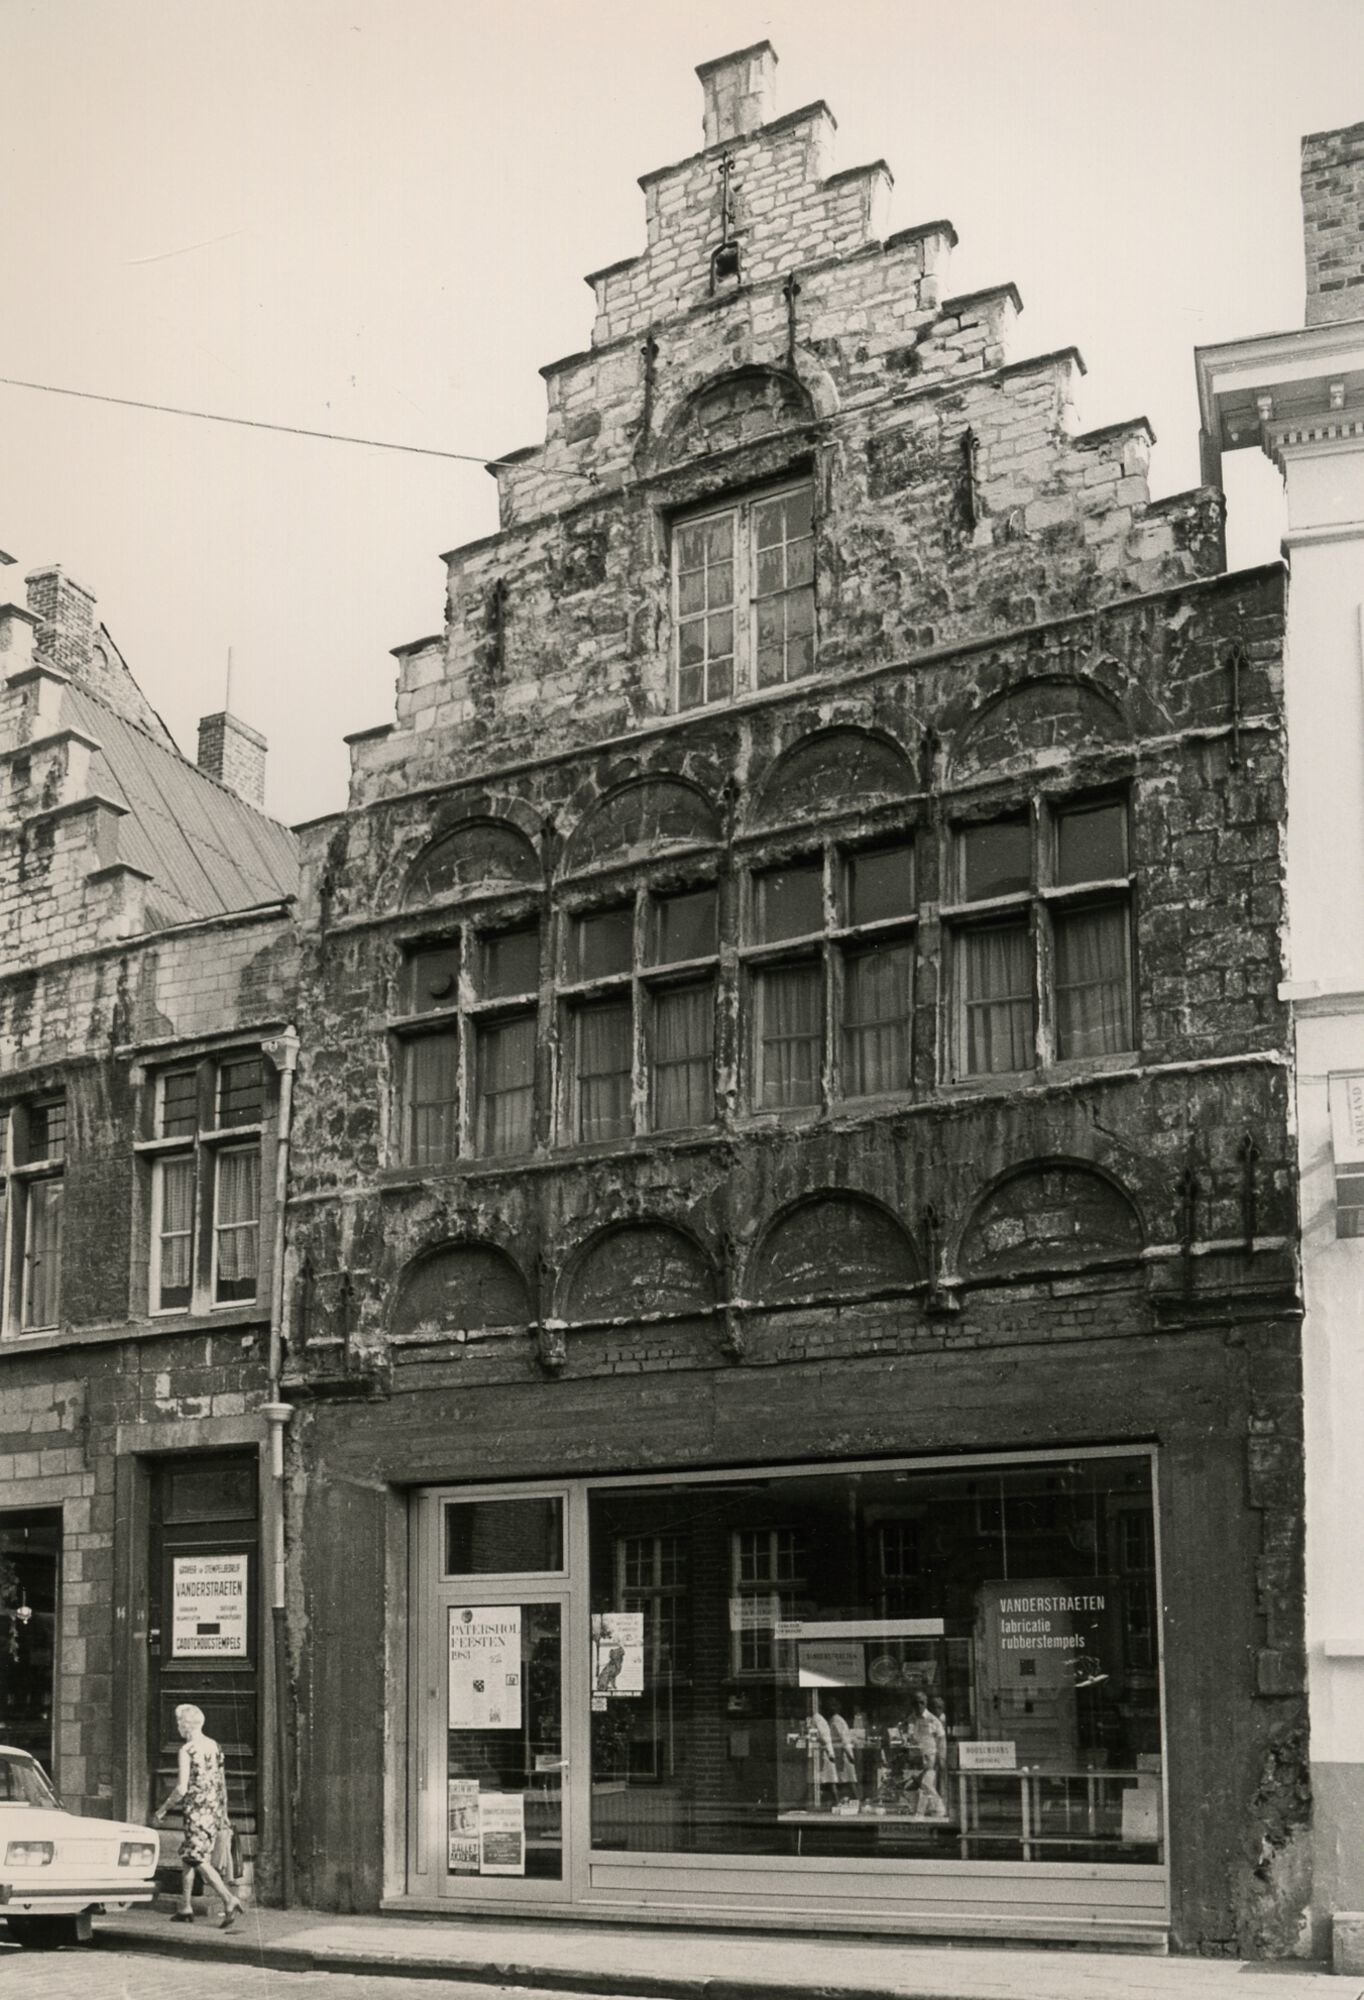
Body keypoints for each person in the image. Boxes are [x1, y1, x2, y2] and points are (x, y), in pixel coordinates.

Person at [153, 1703, 243, 1928]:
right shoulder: (214, 1746)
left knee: (196, 1857)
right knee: (189, 1855)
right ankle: (185, 1906)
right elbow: (221, 1782)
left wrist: (162, 1809)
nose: (177, 1726)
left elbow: (182, 1788)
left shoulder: (187, 1750)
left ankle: (228, 1898)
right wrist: (224, 1812)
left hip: (195, 1812)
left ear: (186, 1725)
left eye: (178, 1722)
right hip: (212, 1811)